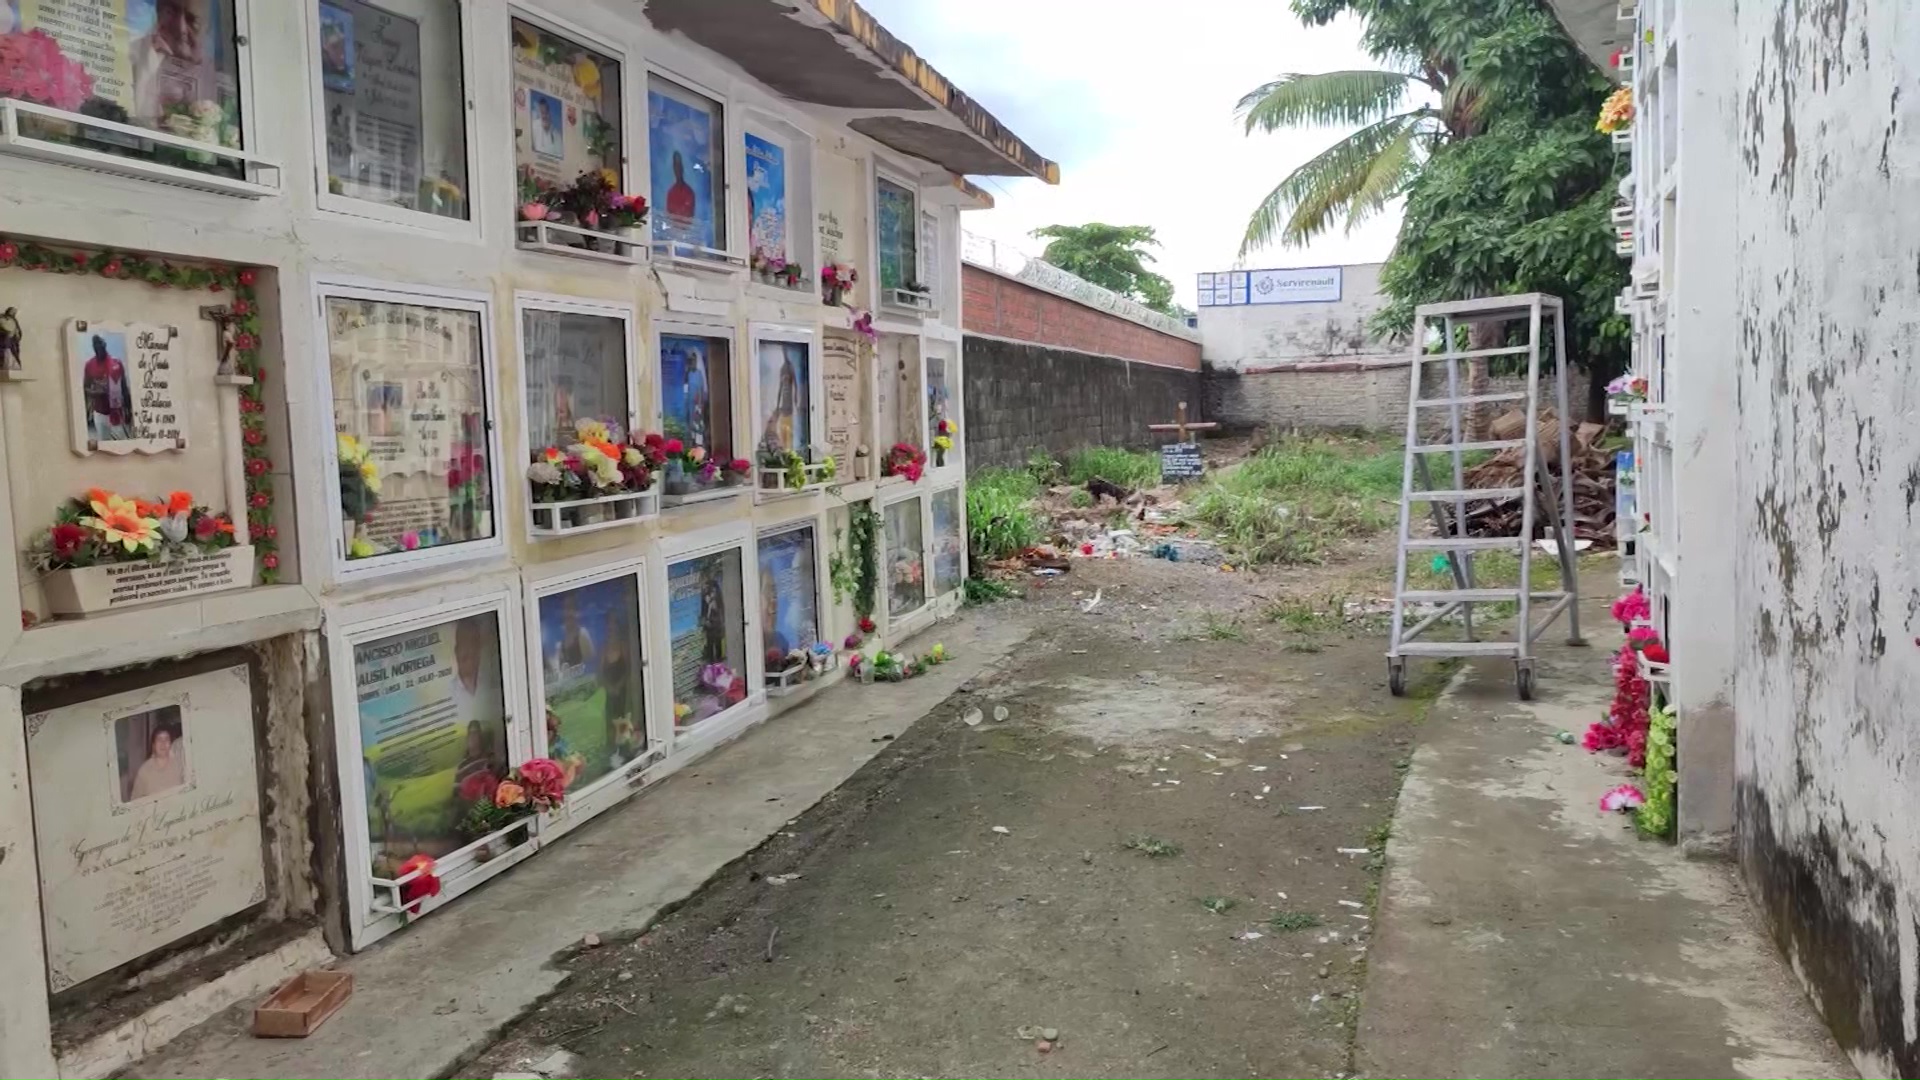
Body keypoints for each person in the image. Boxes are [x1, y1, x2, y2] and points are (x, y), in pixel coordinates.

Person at [131, 0, 215, 129]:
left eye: (193, 20)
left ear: (207, 27)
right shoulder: (132, 54)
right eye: (170, 12)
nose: (180, 28)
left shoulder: (218, 75)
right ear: (157, 12)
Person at [82, 334, 131, 442]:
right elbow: (85, 388)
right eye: (95, 345)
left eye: (100, 344)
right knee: (104, 447)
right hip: (99, 413)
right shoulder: (89, 365)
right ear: (93, 347)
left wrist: (128, 409)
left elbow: (124, 387)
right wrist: (96, 393)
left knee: (121, 445)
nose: (98, 347)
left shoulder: (116, 363)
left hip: (117, 412)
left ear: (105, 345)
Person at [127, 720, 186, 800]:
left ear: (170, 743)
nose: (163, 743)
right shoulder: (145, 770)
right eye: (159, 739)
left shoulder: (179, 764)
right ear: (154, 745)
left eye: (166, 739)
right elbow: (135, 798)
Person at [665, 150, 698, 226]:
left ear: (682, 168)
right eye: (675, 167)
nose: (678, 170)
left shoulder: (689, 192)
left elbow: (690, 215)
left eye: (679, 167)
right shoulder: (671, 193)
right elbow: (669, 215)